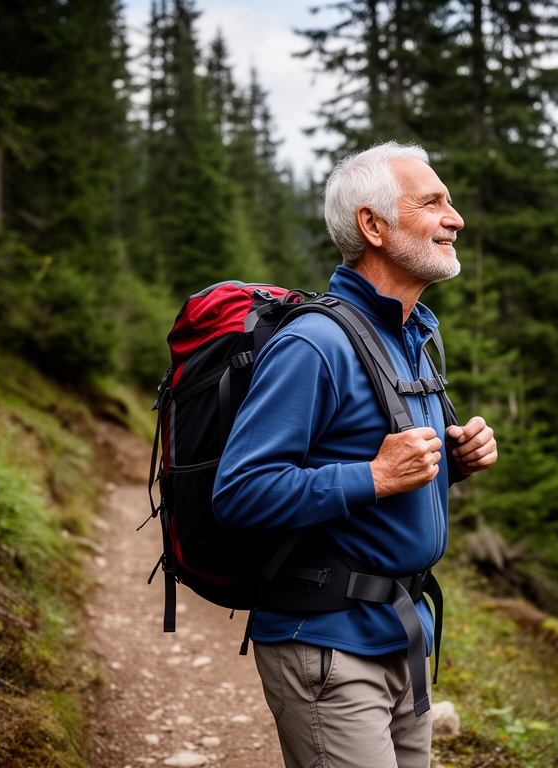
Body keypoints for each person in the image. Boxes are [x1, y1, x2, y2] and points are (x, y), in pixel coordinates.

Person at [212, 141, 497, 768]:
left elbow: (391, 474)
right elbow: (238, 493)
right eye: (433, 203)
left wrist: (456, 461)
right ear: (373, 225)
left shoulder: (412, 336)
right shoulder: (315, 344)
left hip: (399, 633)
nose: (456, 219)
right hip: (325, 644)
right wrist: (374, 475)